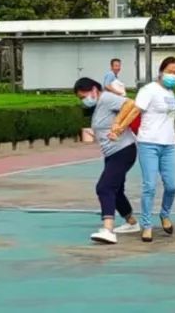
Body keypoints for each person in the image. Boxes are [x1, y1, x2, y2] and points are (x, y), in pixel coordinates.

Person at [73, 78, 140, 245]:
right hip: (112, 153)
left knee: (104, 187)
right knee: (116, 190)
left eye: (84, 96)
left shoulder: (107, 98)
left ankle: (108, 230)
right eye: (81, 99)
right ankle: (132, 222)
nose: (84, 101)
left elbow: (130, 104)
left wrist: (118, 125)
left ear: (94, 89)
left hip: (123, 150)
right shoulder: (99, 105)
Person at [133, 57, 175, 243]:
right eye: (170, 71)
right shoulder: (148, 90)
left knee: (171, 186)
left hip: (169, 144)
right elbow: (135, 111)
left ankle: (165, 214)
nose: (173, 75)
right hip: (148, 143)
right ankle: (146, 225)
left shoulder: (171, 92)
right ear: (161, 71)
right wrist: (119, 127)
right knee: (150, 186)